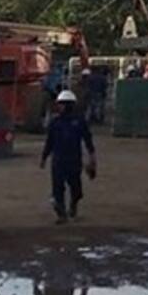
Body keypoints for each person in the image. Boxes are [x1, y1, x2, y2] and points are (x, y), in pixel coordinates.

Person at [40, 90, 96, 224]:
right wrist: (44, 157)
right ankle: (61, 214)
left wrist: (92, 157)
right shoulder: (55, 123)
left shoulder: (79, 121)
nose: (59, 107)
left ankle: (73, 206)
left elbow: (88, 139)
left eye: (62, 104)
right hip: (58, 161)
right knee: (57, 189)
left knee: (76, 188)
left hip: (74, 160)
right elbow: (50, 142)